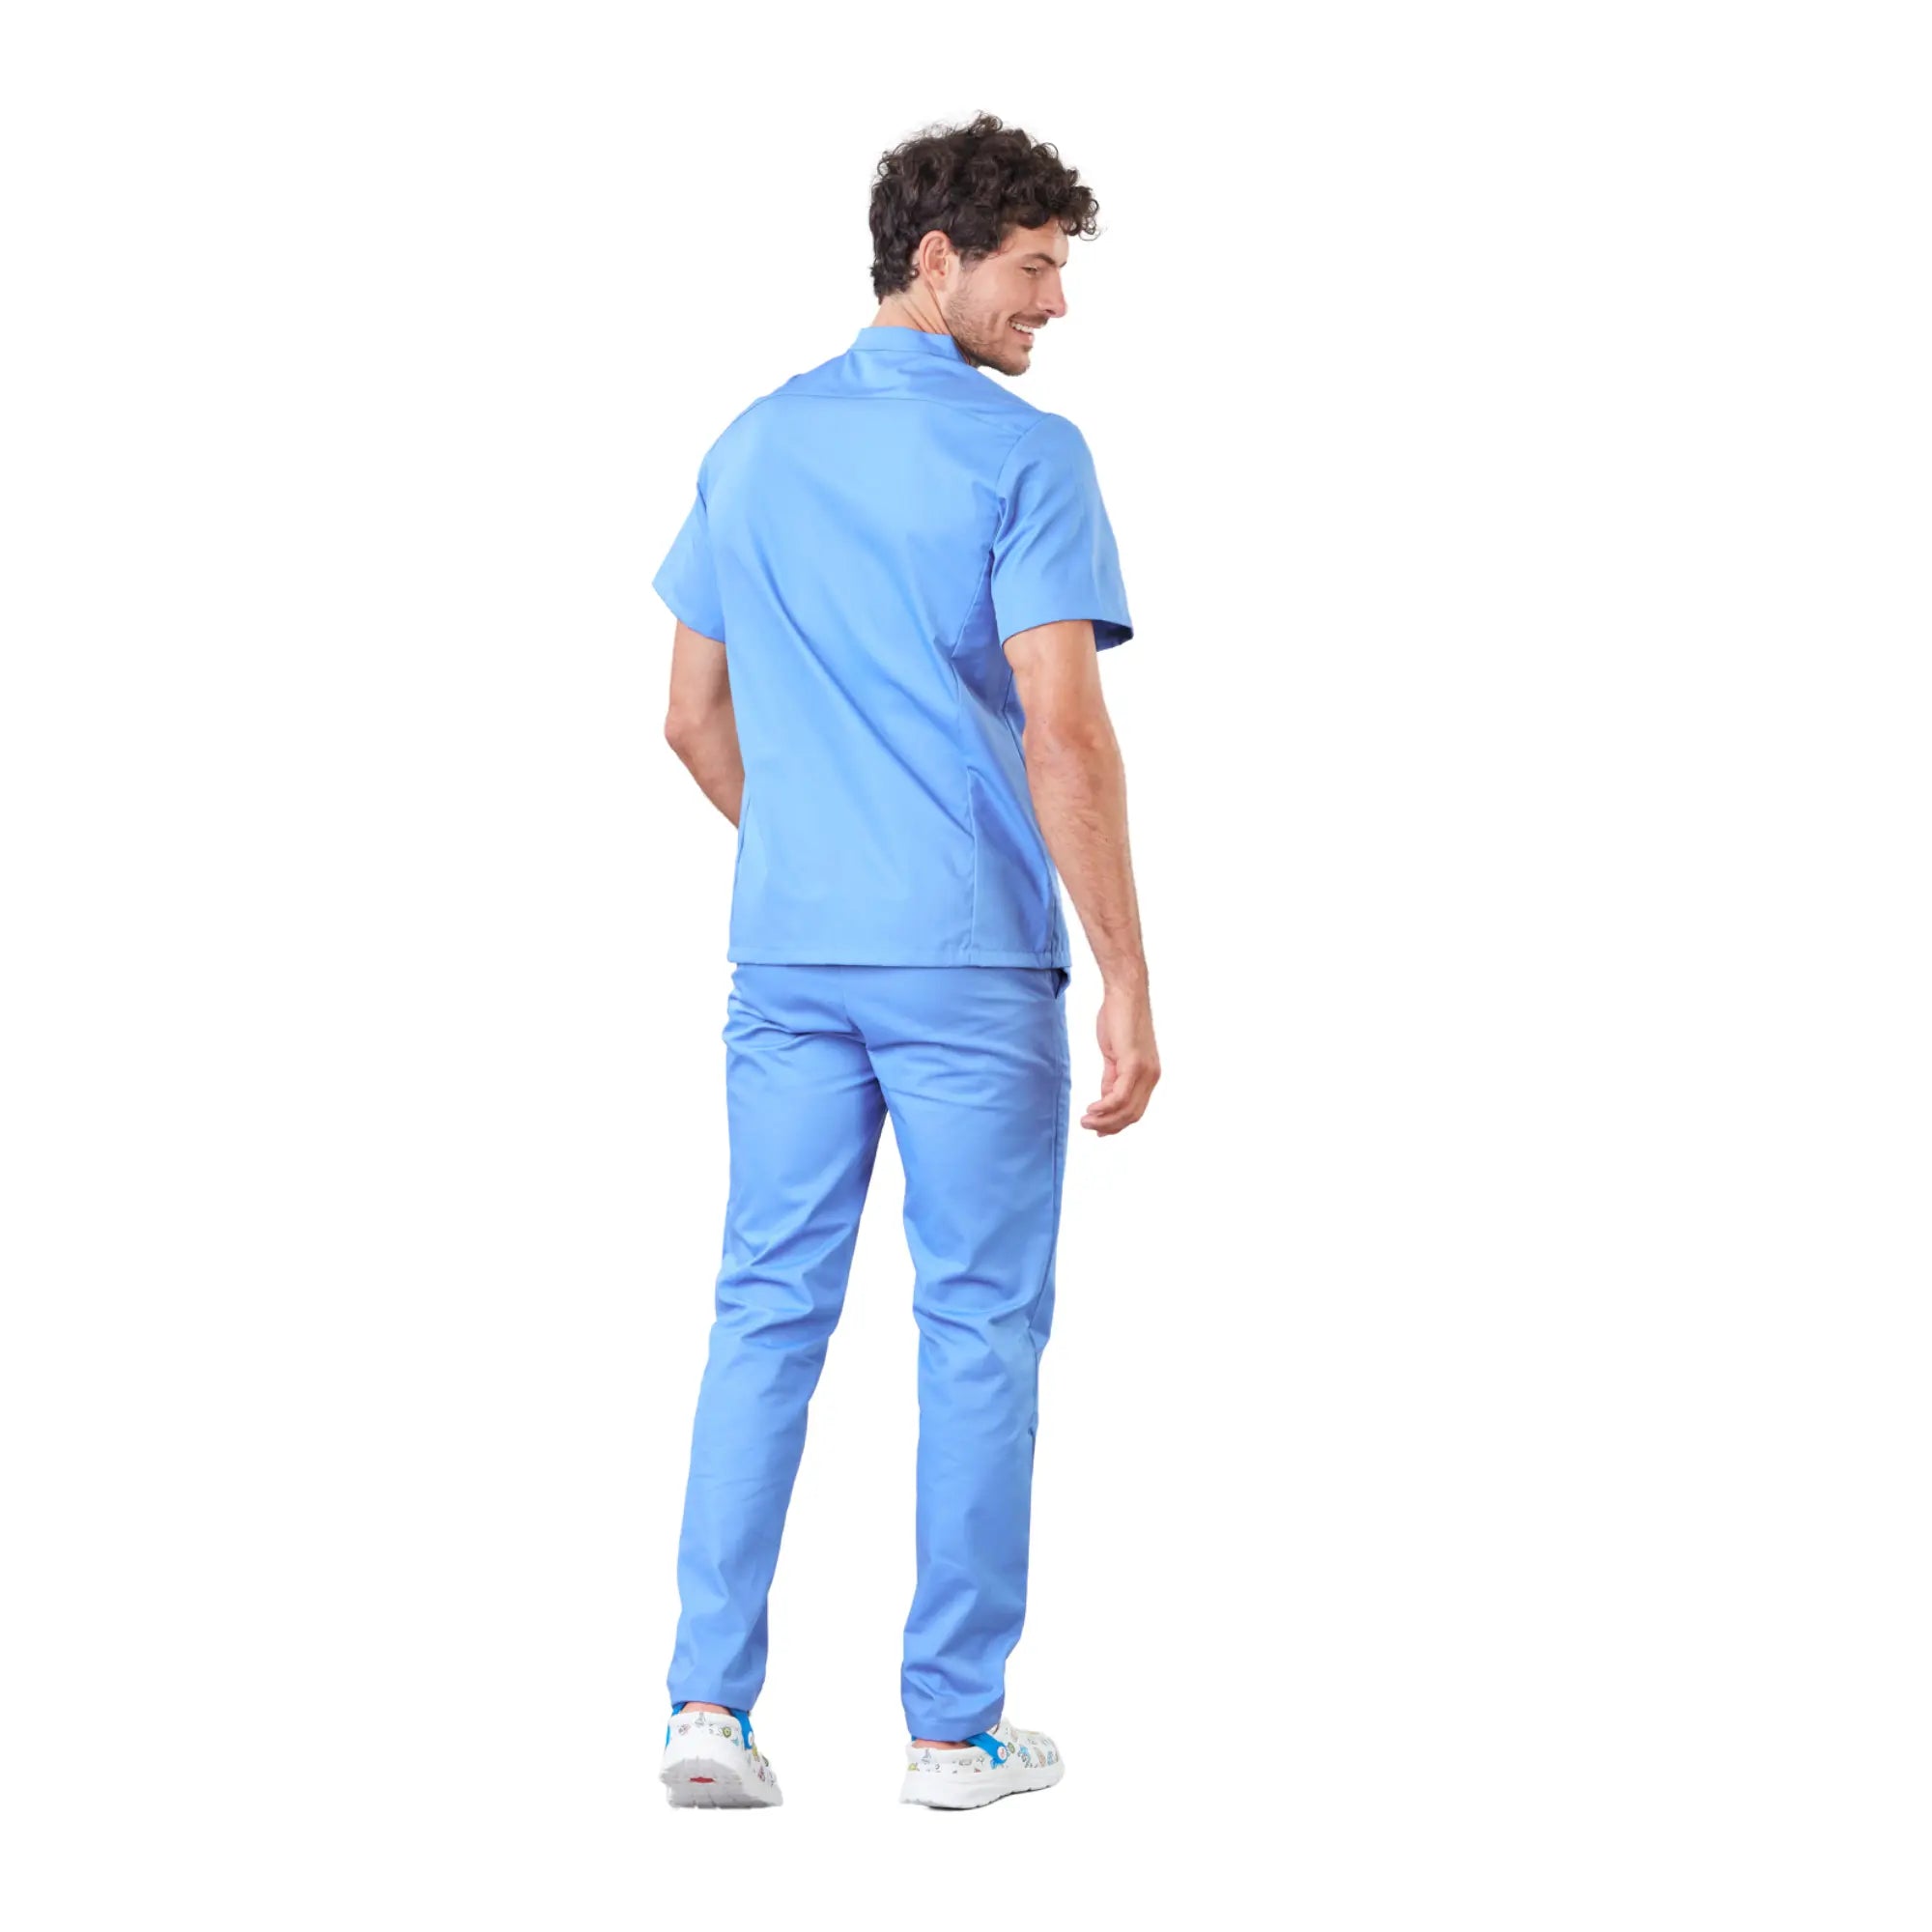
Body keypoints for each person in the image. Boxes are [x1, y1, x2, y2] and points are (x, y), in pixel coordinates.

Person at [650, 112, 1158, 1811]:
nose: (1055, 304)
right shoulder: (1028, 456)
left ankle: (706, 1713)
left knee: (764, 1312)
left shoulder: (750, 444)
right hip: (966, 966)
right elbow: (1064, 736)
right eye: (1033, 269)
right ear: (933, 261)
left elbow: (690, 718)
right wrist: (1131, 979)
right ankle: (953, 1734)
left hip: (792, 955)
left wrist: (820, 846)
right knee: (979, 1328)